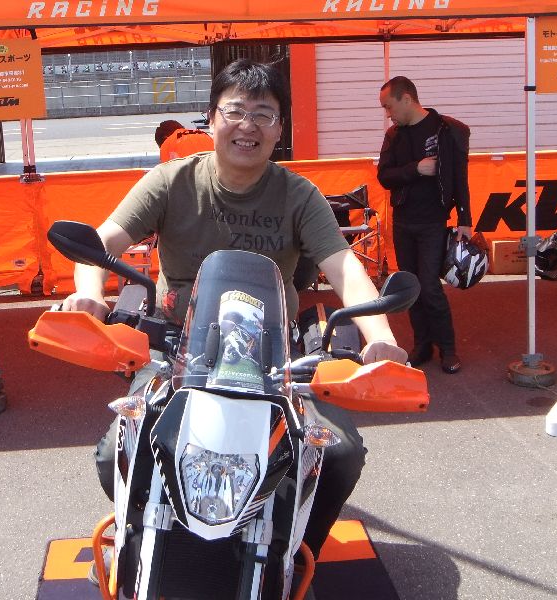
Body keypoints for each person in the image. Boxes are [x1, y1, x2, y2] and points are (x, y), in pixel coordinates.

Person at [63, 59, 407, 559]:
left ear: (280, 129)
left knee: (339, 454)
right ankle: (139, 543)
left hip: (273, 358)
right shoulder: (172, 181)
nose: (249, 126)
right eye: (236, 111)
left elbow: (345, 268)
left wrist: (381, 337)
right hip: (177, 349)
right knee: (117, 450)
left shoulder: (298, 195)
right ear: (212, 118)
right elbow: (98, 245)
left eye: (264, 115)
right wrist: (89, 294)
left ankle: (295, 553)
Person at [377, 75, 472, 375]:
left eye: (388, 106)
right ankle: (422, 345)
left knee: (430, 286)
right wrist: (415, 169)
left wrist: (465, 220)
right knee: (411, 286)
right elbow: (384, 176)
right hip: (403, 221)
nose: (387, 114)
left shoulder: (447, 130)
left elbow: (460, 177)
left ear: (406, 99)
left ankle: (448, 349)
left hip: (433, 222)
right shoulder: (394, 135)